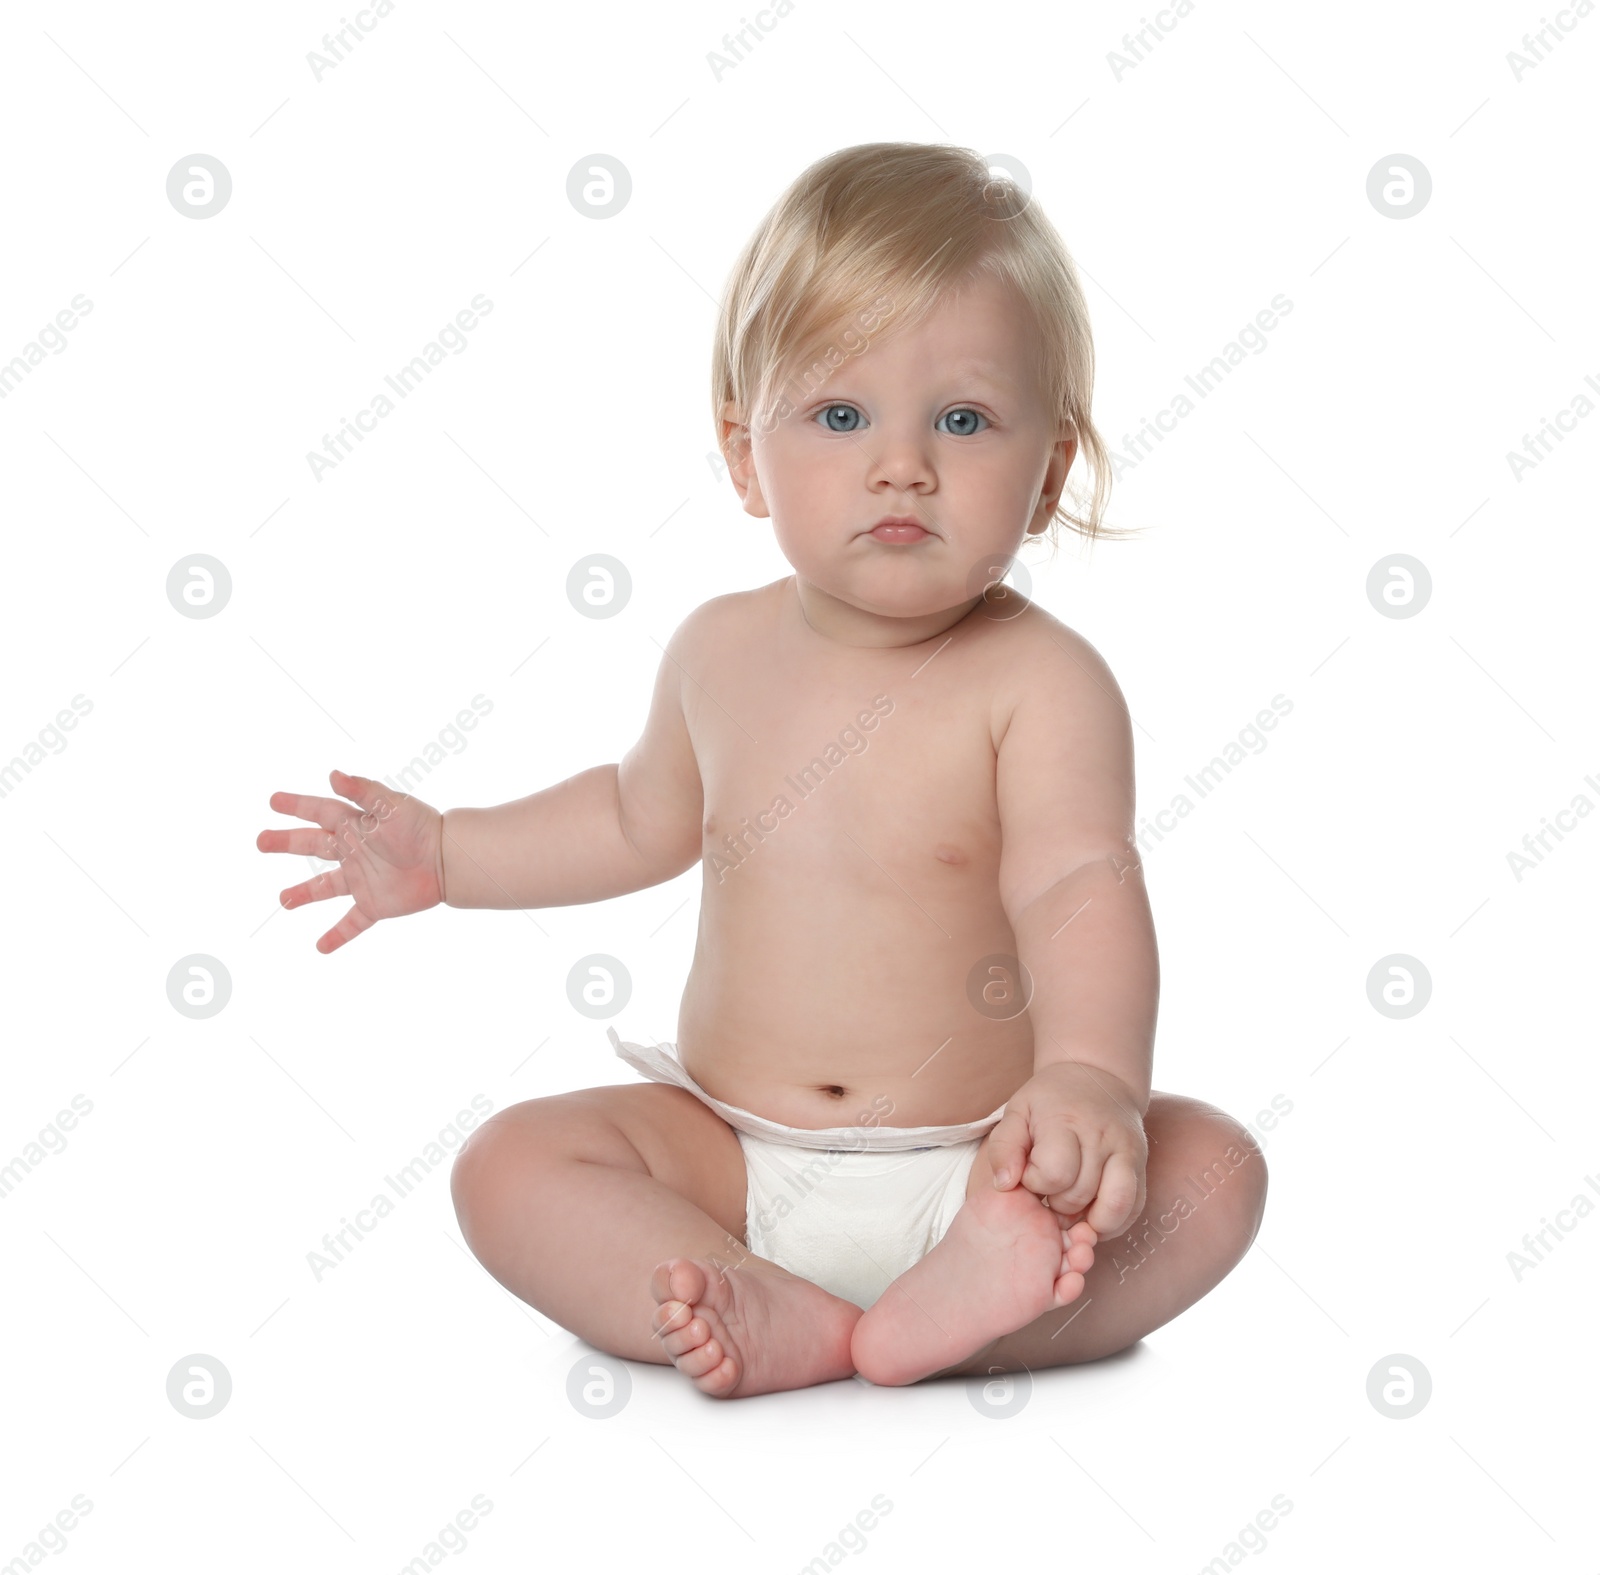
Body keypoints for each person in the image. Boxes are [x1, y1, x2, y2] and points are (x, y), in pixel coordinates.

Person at [257, 141, 1266, 1399]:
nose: (902, 464)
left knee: (1212, 1171)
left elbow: (1079, 883)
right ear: (745, 456)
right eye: (840, 416)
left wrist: (1090, 1082)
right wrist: (452, 853)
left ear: (1049, 471)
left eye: (963, 419)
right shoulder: (718, 652)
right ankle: (745, 1292)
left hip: (988, 1166)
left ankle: (972, 1303)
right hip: (730, 1155)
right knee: (509, 1166)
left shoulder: (1040, 683)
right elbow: (633, 818)